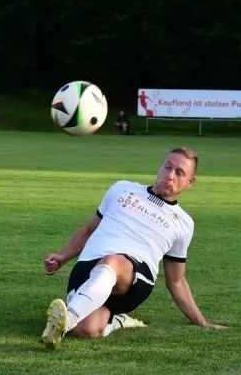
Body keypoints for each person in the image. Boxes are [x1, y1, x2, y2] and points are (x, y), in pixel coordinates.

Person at [41, 147, 226, 348]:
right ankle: (116, 321)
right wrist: (63, 256)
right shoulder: (121, 189)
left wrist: (202, 321)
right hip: (87, 267)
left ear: (190, 182)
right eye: (168, 167)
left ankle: (67, 319)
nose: (170, 176)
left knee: (112, 262)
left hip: (134, 279)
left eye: (179, 172)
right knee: (87, 329)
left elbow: (176, 281)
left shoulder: (183, 223)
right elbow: (89, 229)